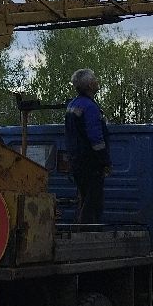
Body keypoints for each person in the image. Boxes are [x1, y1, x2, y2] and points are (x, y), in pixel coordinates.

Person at [65, 69, 111, 224]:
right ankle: (89, 237)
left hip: (76, 161)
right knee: (93, 202)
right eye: (95, 79)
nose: (97, 82)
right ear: (90, 85)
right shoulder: (90, 107)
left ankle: (80, 232)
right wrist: (105, 161)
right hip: (90, 163)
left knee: (84, 198)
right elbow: (96, 139)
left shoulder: (72, 105)